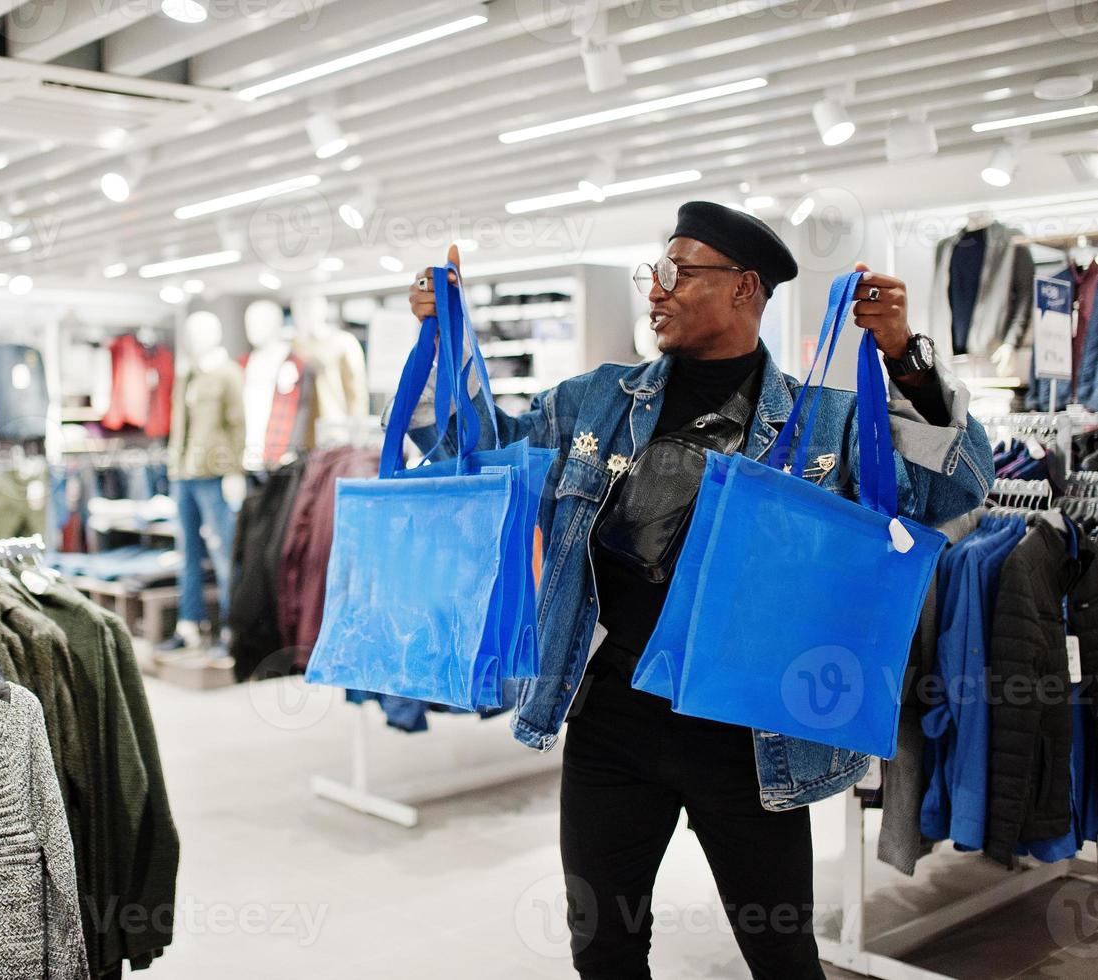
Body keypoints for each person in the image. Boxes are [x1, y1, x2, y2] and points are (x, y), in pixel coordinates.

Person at [402, 201, 995, 980]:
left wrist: (904, 360)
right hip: (610, 723)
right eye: (656, 272)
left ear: (745, 287)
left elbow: (957, 489)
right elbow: (472, 455)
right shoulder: (597, 401)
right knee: (603, 946)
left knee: (779, 953)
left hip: (745, 736)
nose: (656, 290)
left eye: (678, 273)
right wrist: (442, 341)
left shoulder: (826, 422)